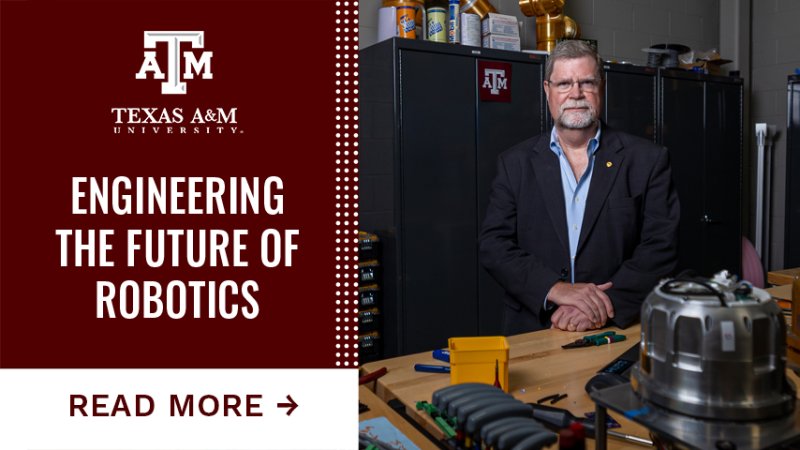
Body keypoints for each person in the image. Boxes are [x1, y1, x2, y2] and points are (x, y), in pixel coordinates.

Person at [479, 40, 680, 334]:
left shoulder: (647, 160)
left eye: (586, 82)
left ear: (602, 87)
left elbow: (661, 247)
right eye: (564, 84)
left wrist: (602, 305)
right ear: (547, 91)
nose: (575, 94)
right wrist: (555, 288)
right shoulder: (515, 163)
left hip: (613, 329)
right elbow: (494, 245)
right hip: (534, 328)